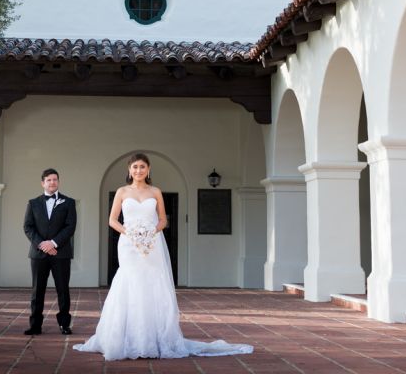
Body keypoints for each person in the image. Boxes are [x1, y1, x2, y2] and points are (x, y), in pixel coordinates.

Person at [73, 153, 253, 360]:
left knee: (152, 282)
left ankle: (154, 338)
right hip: (129, 243)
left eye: (142, 167)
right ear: (129, 170)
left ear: (148, 170)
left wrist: (151, 232)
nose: (138, 170)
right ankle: (123, 337)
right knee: (129, 281)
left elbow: (162, 220)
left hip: (152, 242)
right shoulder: (122, 192)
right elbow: (112, 220)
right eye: (135, 167)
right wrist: (130, 233)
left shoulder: (155, 191)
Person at [23, 168, 77, 335]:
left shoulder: (68, 202)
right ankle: (35, 325)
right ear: (43, 183)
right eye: (49, 180)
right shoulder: (33, 203)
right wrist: (43, 244)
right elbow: (28, 227)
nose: (52, 182)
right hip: (38, 254)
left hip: (60, 253)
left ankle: (64, 324)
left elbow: (70, 227)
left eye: (55, 179)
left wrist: (53, 243)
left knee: (63, 289)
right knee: (37, 290)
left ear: (58, 182)